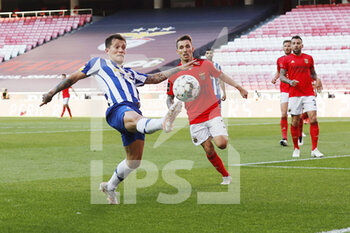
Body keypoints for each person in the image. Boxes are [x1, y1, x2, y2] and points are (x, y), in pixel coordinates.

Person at [40, 34, 194, 204]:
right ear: (107, 50)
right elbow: (72, 78)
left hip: (133, 112)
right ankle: (163, 122)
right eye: (117, 47)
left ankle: (110, 186)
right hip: (118, 109)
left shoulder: (129, 73)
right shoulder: (98, 63)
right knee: (137, 119)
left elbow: (154, 78)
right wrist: (50, 93)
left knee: (134, 161)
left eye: (124, 47)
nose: (121, 50)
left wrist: (179, 69)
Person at [167, 35, 248, 185]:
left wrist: (239, 87)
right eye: (181, 47)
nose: (185, 50)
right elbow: (169, 96)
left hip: (212, 111)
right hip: (195, 117)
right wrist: (170, 111)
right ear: (177, 51)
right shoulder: (174, 74)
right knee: (209, 149)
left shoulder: (205, 64)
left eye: (187, 46)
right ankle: (225, 175)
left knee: (222, 143)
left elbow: (221, 75)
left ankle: (216, 133)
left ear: (192, 48)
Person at [280, 35, 323, 158]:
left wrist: (318, 79)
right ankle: (296, 148)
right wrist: (289, 82)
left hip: (308, 93)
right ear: (292, 45)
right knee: (295, 121)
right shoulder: (286, 60)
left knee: (313, 119)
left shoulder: (308, 58)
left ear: (302, 45)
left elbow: (313, 73)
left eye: (298, 43)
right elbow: (282, 76)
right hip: (294, 94)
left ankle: (314, 149)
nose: (296, 45)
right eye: (294, 43)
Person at [271, 40, 292, 147]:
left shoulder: (296, 59)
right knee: (284, 114)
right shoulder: (280, 60)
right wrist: (275, 78)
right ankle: (284, 138)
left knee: (296, 115)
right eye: (285, 46)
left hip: (295, 90)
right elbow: (279, 71)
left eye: (289, 46)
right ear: (283, 48)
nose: (287, 48)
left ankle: (299, 135)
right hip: (284, 89)